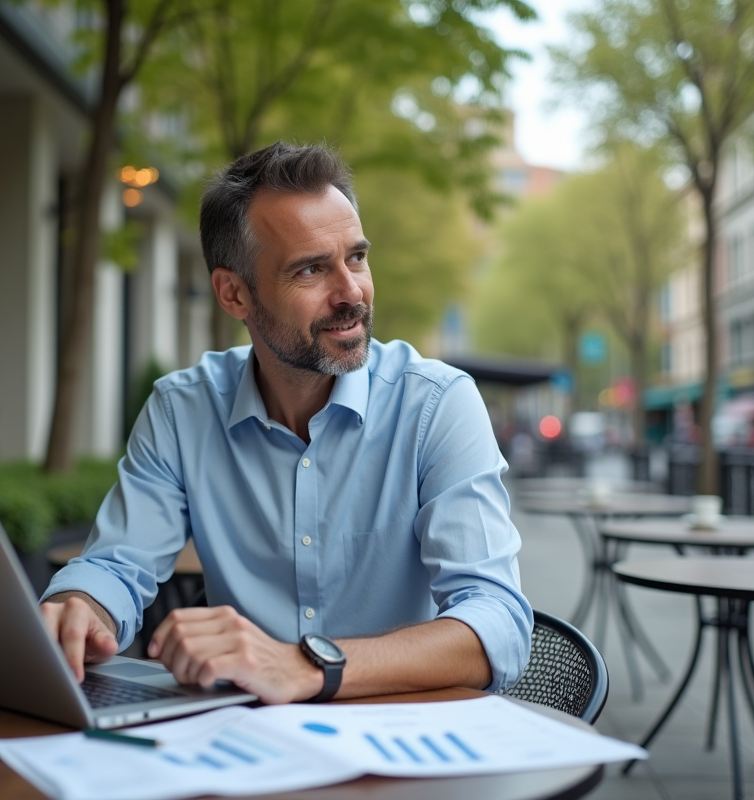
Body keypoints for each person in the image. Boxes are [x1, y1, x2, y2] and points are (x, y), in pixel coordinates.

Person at [41, 142, 532, 705]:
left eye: (356, 258)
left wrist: (306, 666)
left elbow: (497, 624)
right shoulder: (182, 410)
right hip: (243, 747)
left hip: (403, 743)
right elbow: (115, 567)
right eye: (311, 269)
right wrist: (79, 607)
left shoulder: (437, 404)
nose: (352, 293)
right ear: (234, 293)